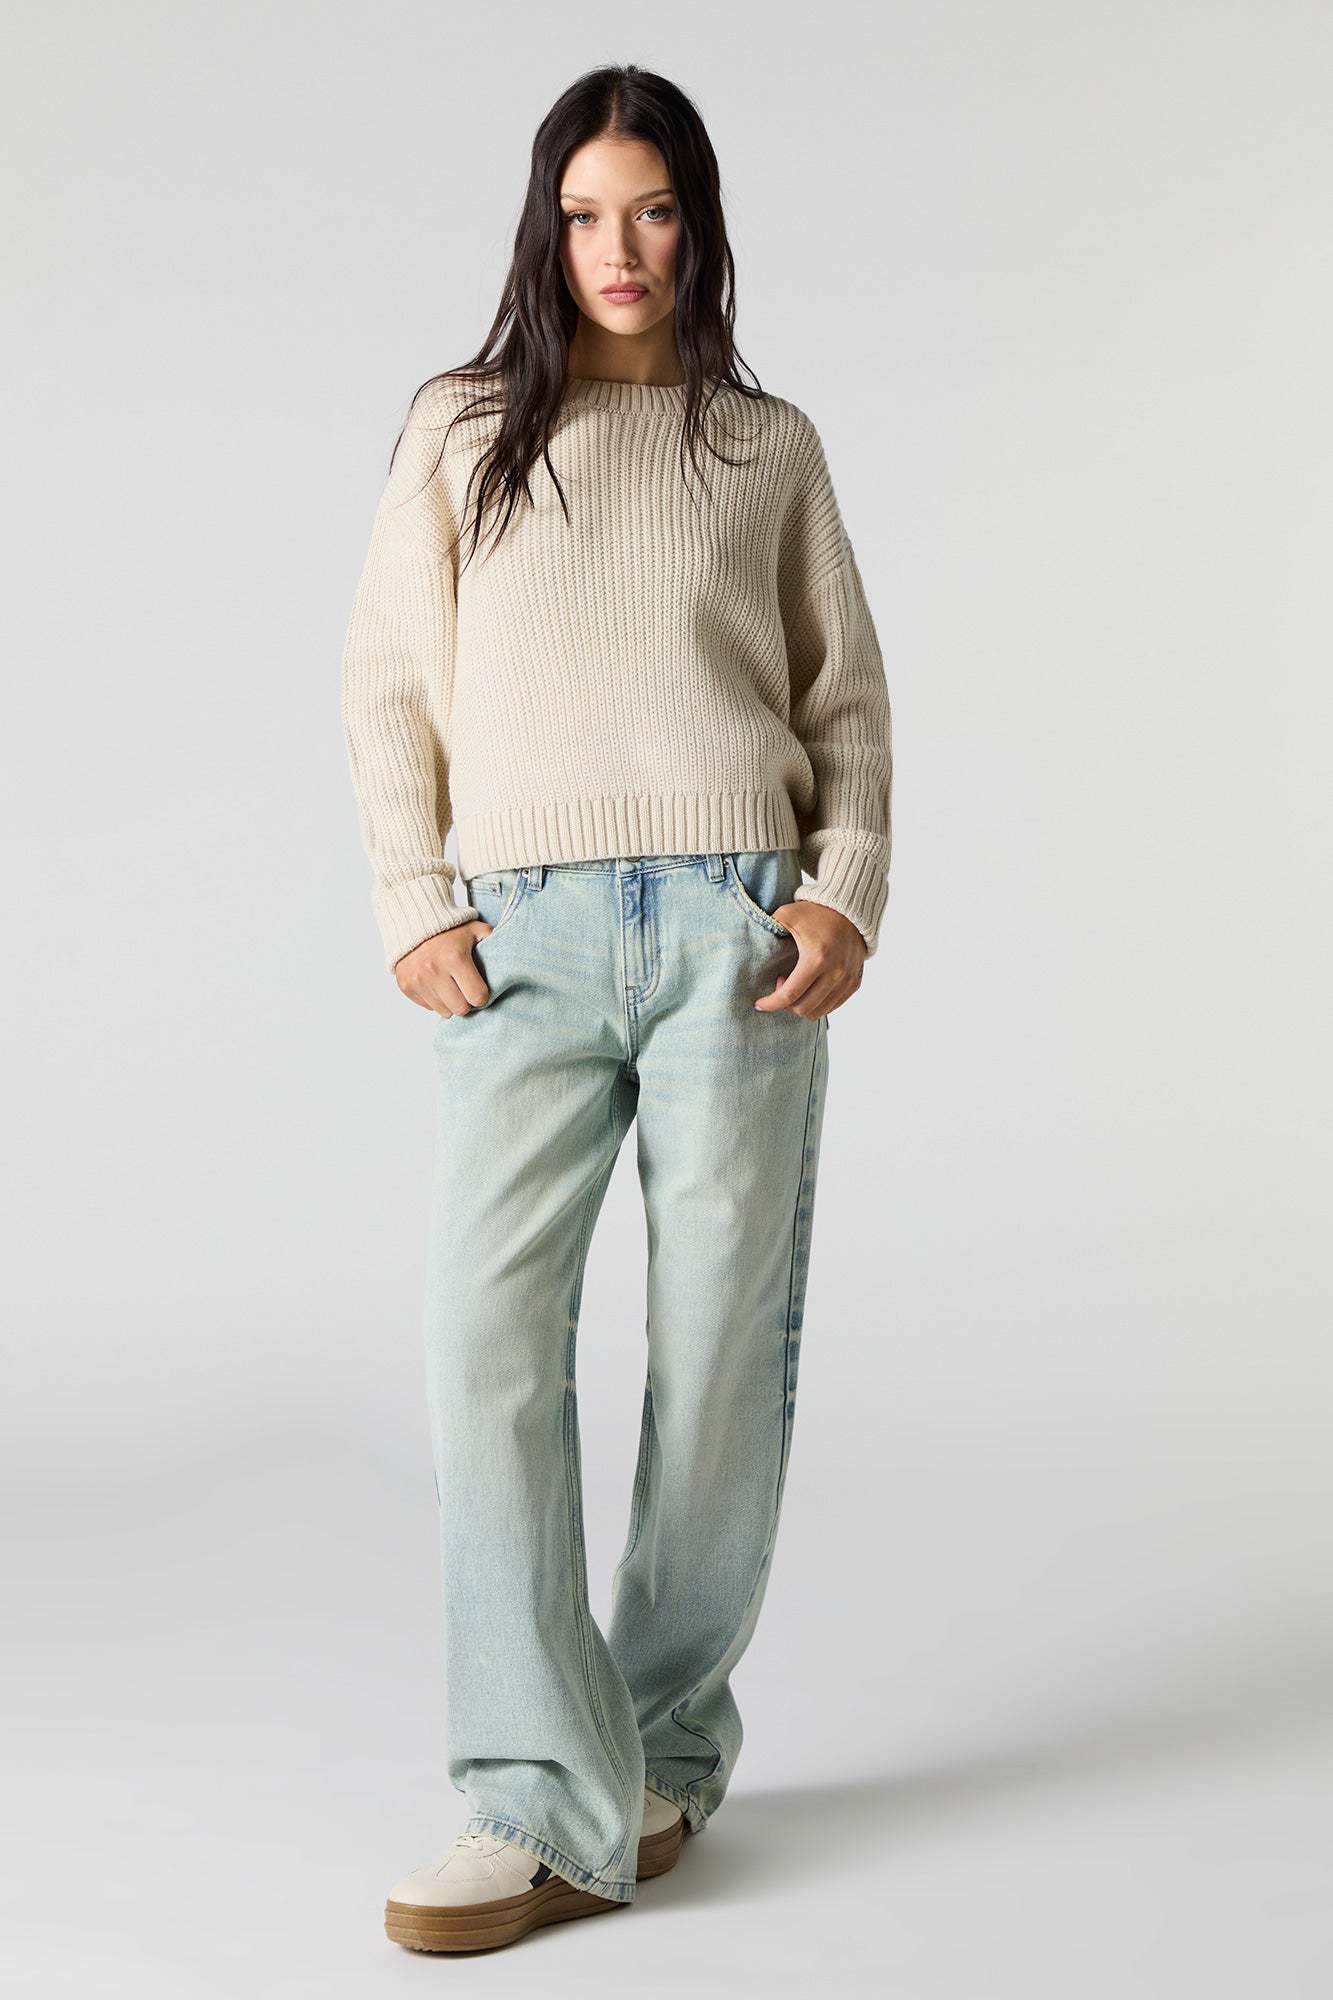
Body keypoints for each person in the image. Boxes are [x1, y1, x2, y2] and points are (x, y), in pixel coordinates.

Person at [340, 62, 893, 1955]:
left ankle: (652, 1757)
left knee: (723, 1357)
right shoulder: (462, 427)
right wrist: (415, 902)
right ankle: (526, 1787)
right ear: (542, 225)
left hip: (739, 929)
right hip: (523, 939)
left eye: (650, 209)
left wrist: (838, 891)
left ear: (697, 222)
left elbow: (843, 706)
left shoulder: (767, 446)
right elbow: (387, 684)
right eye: (583, 213)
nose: (618, 248)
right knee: (487, 1349)